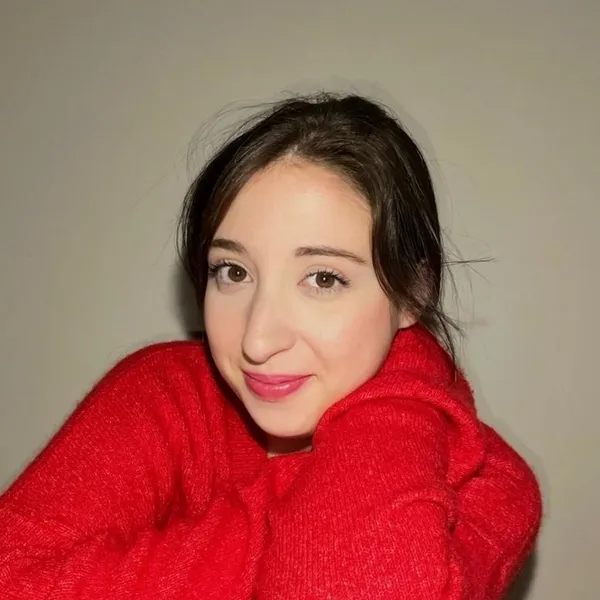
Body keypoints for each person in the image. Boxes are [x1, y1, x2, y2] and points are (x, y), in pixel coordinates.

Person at [0, 93, 542, 599]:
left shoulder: (487, 482)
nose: (257, 340)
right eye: (233, 271)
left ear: (412, 292)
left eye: (323, 278)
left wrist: (404, 389)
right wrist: (287, 525)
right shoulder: (163, 395)